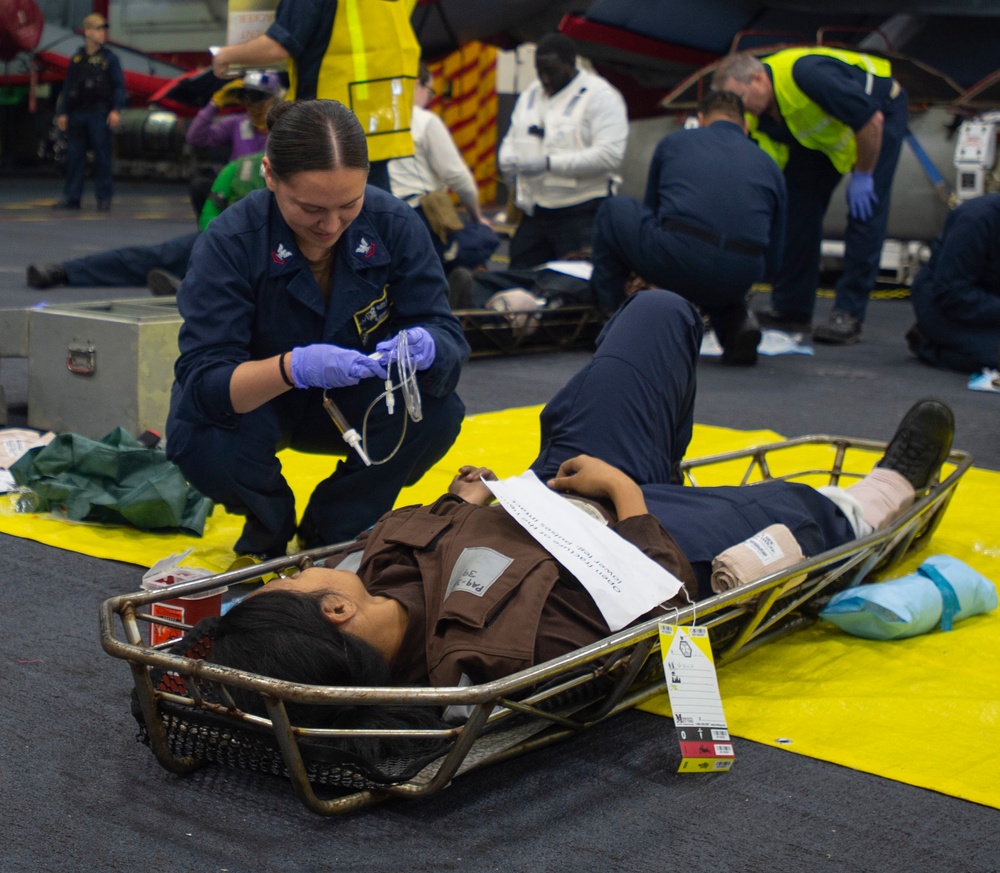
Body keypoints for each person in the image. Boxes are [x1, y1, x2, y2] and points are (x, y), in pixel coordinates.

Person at [195, 289, 954, 734]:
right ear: (333, 609)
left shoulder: (376, 569)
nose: (295, 571)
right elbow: (663, 612)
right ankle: (888, 488)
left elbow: (444, 531)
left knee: (657, 311)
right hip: (644, 534)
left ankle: (661, 467)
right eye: (282, 587)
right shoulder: (485, 658)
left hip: (553, 485)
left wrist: (470, 499)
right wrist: (627, 496)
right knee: (811, 511)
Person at [166, 99, 469, 560]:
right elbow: (205, 383)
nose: (330, 225)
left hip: (358, 400)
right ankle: (269, 526)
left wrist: (430, 345)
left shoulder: (394, 223)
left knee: (436, 413)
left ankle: (336, 530)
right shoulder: (230, 242)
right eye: (309, 208)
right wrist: (293, 368)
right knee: (201, 437)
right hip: (260, 403)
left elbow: (444, 330)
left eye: (349, 204)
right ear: (270, 176)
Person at [713, 48, 909, 345]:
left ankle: (849, 315)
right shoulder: (757, 115)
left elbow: (871, 121)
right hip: (827, 140)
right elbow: (770, 171)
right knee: (797, 209)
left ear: (757, 79)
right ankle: (792, 308)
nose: (741, 109)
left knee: (865, 213)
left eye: (740, 98)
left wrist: (864, 175)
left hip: (877, 115)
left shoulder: (806, 75)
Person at [589, 90, 787, 365]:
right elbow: (775, 259)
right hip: (740, 274)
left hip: (680, 259)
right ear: (745, 126)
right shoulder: (770, 164)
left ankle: (610, 318)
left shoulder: (674, 142)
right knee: (716, 266)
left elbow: (654, 212)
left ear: (701, 119)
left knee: (614, 209)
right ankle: (735, 325)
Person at [209, 0, 420, 192]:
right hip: (379, 116)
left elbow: (279, 45)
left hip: (328, 124)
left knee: (319, 213)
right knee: (371, 210)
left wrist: (225, 56)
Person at [25, 152, 268, 293]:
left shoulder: (295, 178)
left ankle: (187, 289)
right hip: (225, 242)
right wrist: (213, 239)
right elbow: (210, 211)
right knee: (155, 255)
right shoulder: (241, 167)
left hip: (267, 253)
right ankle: (63, 271)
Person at [497, 33, 628, 269]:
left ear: (571, 64)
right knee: (518, 277)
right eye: (539, 70)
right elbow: (512, 136)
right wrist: (507, 158)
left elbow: (610, 155)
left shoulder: (600, 96)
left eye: (552, 71)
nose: (544, 78)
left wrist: (549, 163)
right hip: (535, 211)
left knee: (574, 286)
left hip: (581, 212)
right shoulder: (530, 94)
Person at [388, 63, 499, 273]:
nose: (429, 99)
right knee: (485, 236)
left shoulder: (375, 119)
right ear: (417, 84)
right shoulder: (425, 121)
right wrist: (477, 216)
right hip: (419, 216)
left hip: (381, 214)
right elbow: (457, 176)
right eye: (429, 92)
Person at [906, 193, 1000, 373]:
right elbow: (951, 292)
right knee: (992, 357)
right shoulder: (976, 220)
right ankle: (928, 344)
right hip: (942, 303)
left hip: (987, 300)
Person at [52, 12, 126, 212]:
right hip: (78, 114)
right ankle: (72, 197)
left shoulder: (110, 59)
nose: (103, 33)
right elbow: (68, 87)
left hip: (100, 113)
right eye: (98, 29)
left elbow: (119, 86)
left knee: (102, 157)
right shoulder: (77, 59)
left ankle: (104, 198)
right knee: (75, 157)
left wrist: (116, 110)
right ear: (88, 32)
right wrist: (63, 112)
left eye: (104, 29)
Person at [185, 71, 280, 217]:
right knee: (200, 185)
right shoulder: (237, 123)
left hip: (269, 188)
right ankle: (210, 232)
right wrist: (214, 104)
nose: (253, 104)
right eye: (247, 97)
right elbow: (195, 137)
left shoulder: (283, 126)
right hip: (237, 185)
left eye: (259, 97)